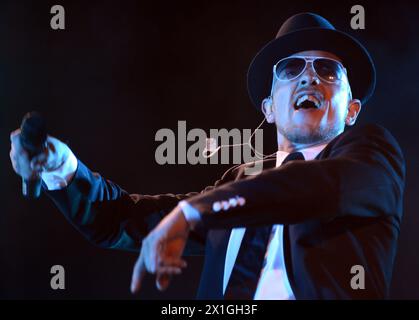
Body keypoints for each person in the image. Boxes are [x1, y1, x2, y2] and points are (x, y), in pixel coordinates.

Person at [9, 13, 405, 299]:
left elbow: (319, 186)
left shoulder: (371, 156)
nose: (309, 76)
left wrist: (195, 212)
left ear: (352, 110)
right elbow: (124, 220)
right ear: (268, 109)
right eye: (290, 68)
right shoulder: (240, 183)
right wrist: (60, 167)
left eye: (328, 70)